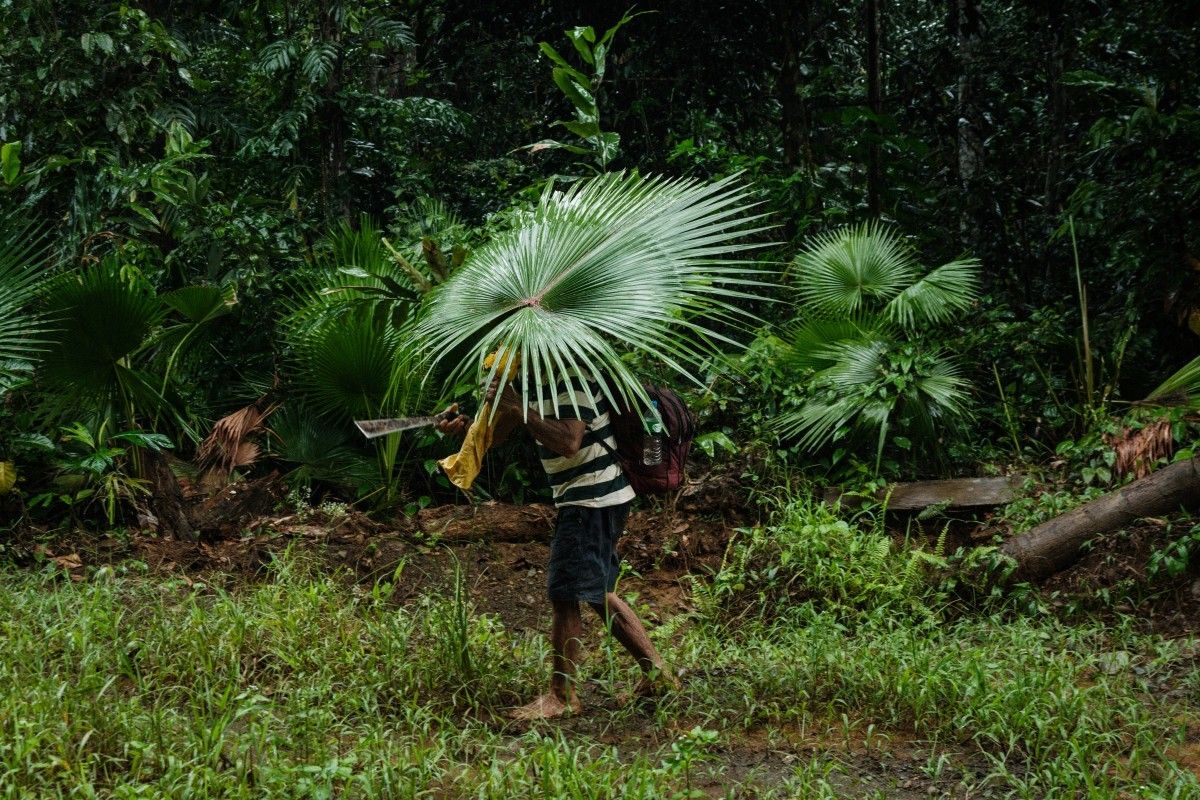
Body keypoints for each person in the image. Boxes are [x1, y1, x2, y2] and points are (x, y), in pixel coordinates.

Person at [437, 372, 676, 720]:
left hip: (592, 496)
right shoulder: (532, 383)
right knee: (598, 593)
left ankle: (562, 697)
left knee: (565, 594)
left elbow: (568, 441)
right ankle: (658, 675)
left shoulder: (570, 377)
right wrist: (469, 427)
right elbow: (500, 433)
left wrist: (519, 407)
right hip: (591, 497)